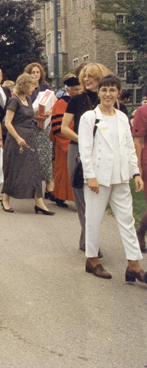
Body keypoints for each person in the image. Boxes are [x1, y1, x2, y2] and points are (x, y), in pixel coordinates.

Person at [79, 74, 146, 283]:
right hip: (98, 178)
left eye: (112, 90)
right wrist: (90, 176)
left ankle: (134, 264)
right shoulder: (89, 117)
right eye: (104, 90)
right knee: (94, 219)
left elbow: (128, 146)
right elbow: (85, 149)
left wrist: (135, 172)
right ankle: (92, 259)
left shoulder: (122, 117)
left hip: (120, 176)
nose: (108, 94)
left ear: (118, 93)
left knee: (127, 220)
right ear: (98, 92)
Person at [61, 63, 110, 254]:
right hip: (77, 152)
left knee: (97, 197)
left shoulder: (107, 100)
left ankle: (87, 240)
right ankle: (90, 241)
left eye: (92, 76)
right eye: (85, 76)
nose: (87, 79)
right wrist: (84, 140)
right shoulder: (76, 100)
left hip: (102, 153)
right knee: (81, 198)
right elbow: (65, 128)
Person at [1, 73, 54, 215]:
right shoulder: (14, 100)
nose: (34, 88)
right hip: (16, 138)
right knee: (14, 169)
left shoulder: (29, 99)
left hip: (30, 136)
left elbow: (30, 116)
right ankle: (5, 200)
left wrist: (44, 115)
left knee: (34, 169)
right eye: (32, 85)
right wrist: (18, 138)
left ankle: (39, 202)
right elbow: (7, 122)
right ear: (24, 85)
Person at [49, 74, 82, 208]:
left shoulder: (80, 100)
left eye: (80, 89)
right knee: (63, 171)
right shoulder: (62, 103)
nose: (79, 92)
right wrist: (69, 139)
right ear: (68, 89)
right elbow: (58, 125)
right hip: (66, 142)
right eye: (76, 89)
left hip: (78, 139)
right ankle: (59, 195)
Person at [26, 62, 56, 200]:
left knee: (46, 156)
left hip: (45, 126)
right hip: (32, 125)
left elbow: (54, 102)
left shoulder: (46, 87)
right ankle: (34, 186)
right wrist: (34, 116)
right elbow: (24, 108)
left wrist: (48, 114)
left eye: (37, 72)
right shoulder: (27, 89)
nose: (35, 74)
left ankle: (49, 186)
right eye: (33, 72)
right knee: (33, 157)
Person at [132, 103, 147, 252]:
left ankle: (140, 232)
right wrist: (138, 168)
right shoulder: (143, 112)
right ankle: (141, 232)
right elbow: (138, 141)